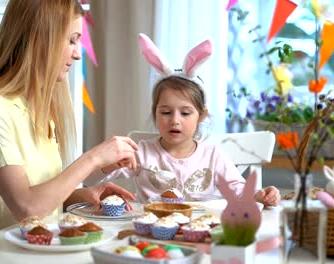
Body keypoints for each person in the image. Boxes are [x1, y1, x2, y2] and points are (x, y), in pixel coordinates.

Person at [0, 1, 138, 262]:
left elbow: (40, 197)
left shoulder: (41, 109)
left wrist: (81, 196)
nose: (78, 54)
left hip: (38, 256)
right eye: (71, 40)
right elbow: (27, 207)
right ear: (40, 38)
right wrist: (93, 159)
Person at [85, 34, 280, 206]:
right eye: (165, 112)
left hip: (200, 232)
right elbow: (90, 180)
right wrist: (112, 164)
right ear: (155, 113)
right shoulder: (142, 153)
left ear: (201, 116)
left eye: (185, 113)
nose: (175, 120)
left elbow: (238, 189)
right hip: (151, 234)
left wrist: (260, 195)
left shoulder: (213, 156)